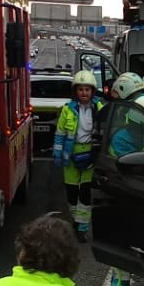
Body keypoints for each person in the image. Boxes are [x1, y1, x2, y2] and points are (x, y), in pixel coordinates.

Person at [106, 73, 144, 286]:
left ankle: (123, 284)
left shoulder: (129, 119)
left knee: (127, 237)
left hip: (130, 187)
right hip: (127, 188)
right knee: (124, 238)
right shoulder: (126, 133)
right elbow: (138, 158)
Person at [52, 69, 106, 242]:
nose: (84, 93)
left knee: (85, 192)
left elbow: (106, 132)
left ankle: (82, 227)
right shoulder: (68, 110)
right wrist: (57, 153)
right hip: (71, 155)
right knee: (72, 192)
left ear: (92, 91)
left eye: (87, 90)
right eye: (81, 89)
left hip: (90, 155)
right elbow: (60, 133)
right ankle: (76, 221)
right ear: (76, 91)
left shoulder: (100, 108)